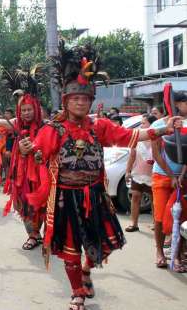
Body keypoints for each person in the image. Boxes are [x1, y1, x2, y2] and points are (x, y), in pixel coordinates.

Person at [26, 42, 181, 310]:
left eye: (85, 99)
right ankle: (77, 291)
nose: (81, 103)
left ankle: (87, 271)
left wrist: (161, 130)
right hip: (66, 197)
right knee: (71, 249)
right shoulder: (54, 129)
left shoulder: (100, 126)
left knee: (105, 244)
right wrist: (28, 149)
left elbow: (132, 136)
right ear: (66, 100)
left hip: (96, 195)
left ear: (91, 101)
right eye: (75, 99)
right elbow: (38, 152)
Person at [0, 67, 45, 249]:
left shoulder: (45, 125)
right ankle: (33, 235)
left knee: (39, 206)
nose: (26, 113)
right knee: (21, 204)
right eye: (23, 110)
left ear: (35, 109)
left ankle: (36, 234)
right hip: (20, 174)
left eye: (29, 109)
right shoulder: (16, 123)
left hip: (40, 173)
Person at [150, 92, 187, 271]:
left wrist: (181, 176)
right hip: (162, 176)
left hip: (183, 177)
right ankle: (159, 252)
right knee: (159, 218)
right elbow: (156, 154)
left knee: (180, 218)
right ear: (176, 104)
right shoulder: (158, 125)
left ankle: (177, 255)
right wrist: (172, 176)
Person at [124, 114, 156, 232]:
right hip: (137, 174)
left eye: (144, 123)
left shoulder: (156, 138)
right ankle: (134, 223)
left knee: (154, 200)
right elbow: (132, 156)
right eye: (141, 123)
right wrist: (128, 171)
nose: (141, 125)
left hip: (153, 175)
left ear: (151, 124)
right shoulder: (137, 138)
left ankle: (155, 223)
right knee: (135, 197)